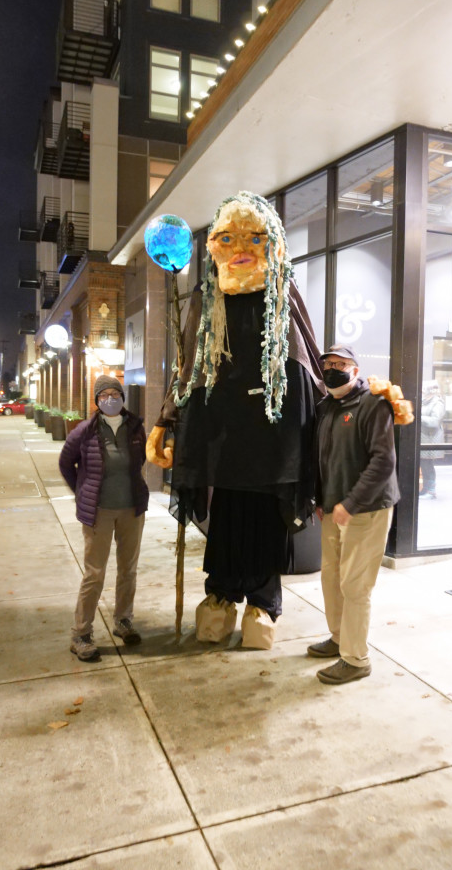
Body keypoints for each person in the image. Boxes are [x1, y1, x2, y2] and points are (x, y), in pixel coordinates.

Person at [147, 191, 325, 649]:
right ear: (213, 248)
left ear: (275, 243)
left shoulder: (285, 297)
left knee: (267, 524)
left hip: (273, 444)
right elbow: (187, 368)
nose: (241, 246)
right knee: (226, 525)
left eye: (255, 237)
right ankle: (221, 599)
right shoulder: (207, 301)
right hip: (223, 441)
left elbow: (309, 368)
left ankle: (263, 604)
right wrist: (166, 419)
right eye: (227, 237)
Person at [307, 344, 400, 684]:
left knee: (355, 585)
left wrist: (351, 502)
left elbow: (383, 461)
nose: (333, 368)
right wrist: (320, 498)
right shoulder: (325, 407)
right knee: (331, 578)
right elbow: (322, 457)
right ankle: (338, 639)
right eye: (328, 363)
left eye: (341, 363)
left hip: (367, 509)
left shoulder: (373, 405)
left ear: (356, 370)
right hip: (333, 509)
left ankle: (356, 659)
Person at [59, 375, 149, 661]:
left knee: (128, 569)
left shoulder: (135, 427)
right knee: (95, 573)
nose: (110, 399)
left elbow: (140, 461)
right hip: (99, 512)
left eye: (115, 394)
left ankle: (123, 620)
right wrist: (82, 491)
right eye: (104, 395)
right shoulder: (85, 430)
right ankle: (81, 633)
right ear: (97, 401)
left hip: (131, 510)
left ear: (123, 397)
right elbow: (65, 462)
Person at [420, 380, 445, 498]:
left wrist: (418, 416)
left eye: (423, 390)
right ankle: (425, 489)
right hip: (424, 438)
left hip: (431, 439)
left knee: (428, 465)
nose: (421, 392)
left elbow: (434, 422)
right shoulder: (424, 402)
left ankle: (431, 490)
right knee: (424, 465)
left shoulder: (437, 402)